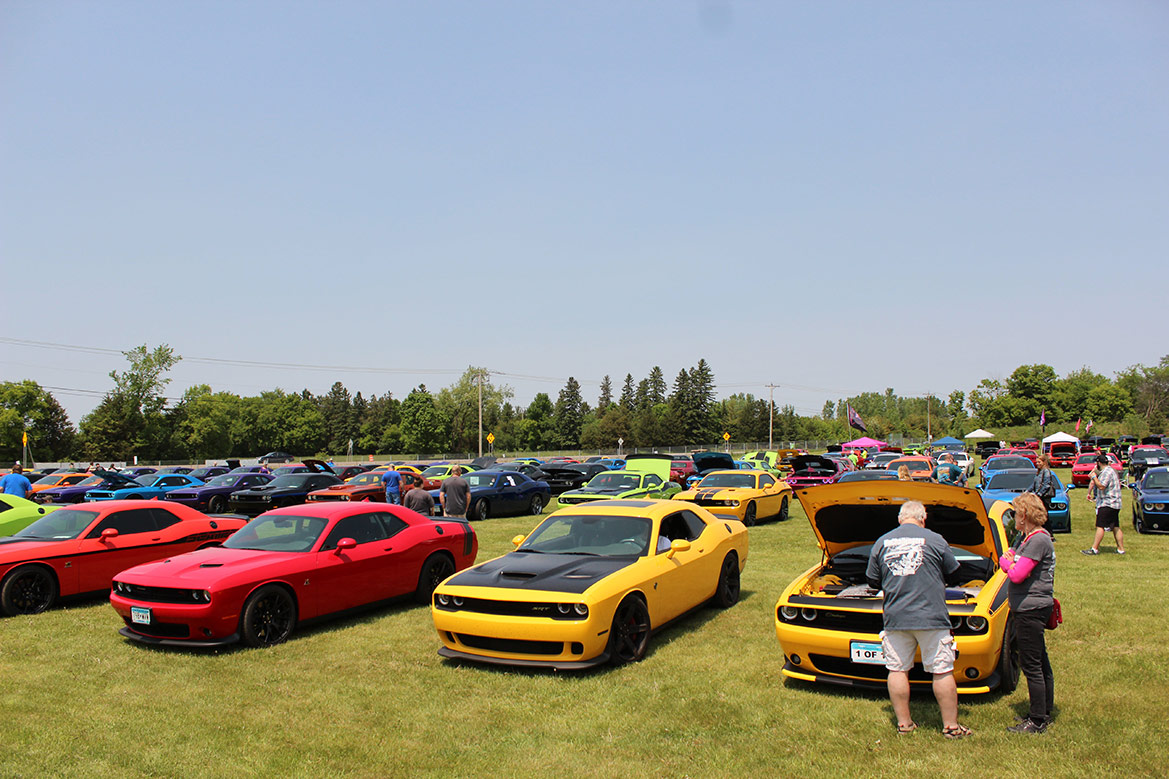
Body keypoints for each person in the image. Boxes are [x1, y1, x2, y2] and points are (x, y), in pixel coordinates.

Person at [866, 501, 970, 739]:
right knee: (942, 671)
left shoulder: (882, 542)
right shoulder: (935, 539)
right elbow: (955, 574)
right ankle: (951, 727)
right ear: (923, 519)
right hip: (931, 617)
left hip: (896, 618)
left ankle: (904, 724)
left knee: (897, 669)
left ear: (900, 519)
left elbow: (873, 582)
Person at [999, 493, 1056, 733]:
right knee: (1039, 660)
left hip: (1031, 608)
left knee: (1031, 664)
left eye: (1016, 513)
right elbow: (1009, 561)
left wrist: (1008, 563)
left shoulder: (1037, 540)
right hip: (1029, 606)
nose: (1014, 517)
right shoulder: (1027, 538)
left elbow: (1016, 573)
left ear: (1025, 514)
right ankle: (1043, 711)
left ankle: (1037, 720)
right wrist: (1009, 561)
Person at [1084, 453, 1125, 555]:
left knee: (1100, 526)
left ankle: (1094, 549)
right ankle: (1121, 549)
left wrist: (1094, 477)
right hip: (1115, 503)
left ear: (1098, 462)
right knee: (1115, 526)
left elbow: (1101, 486)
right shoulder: (1111, 470)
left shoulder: (1106, 472)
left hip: (1108, 503)